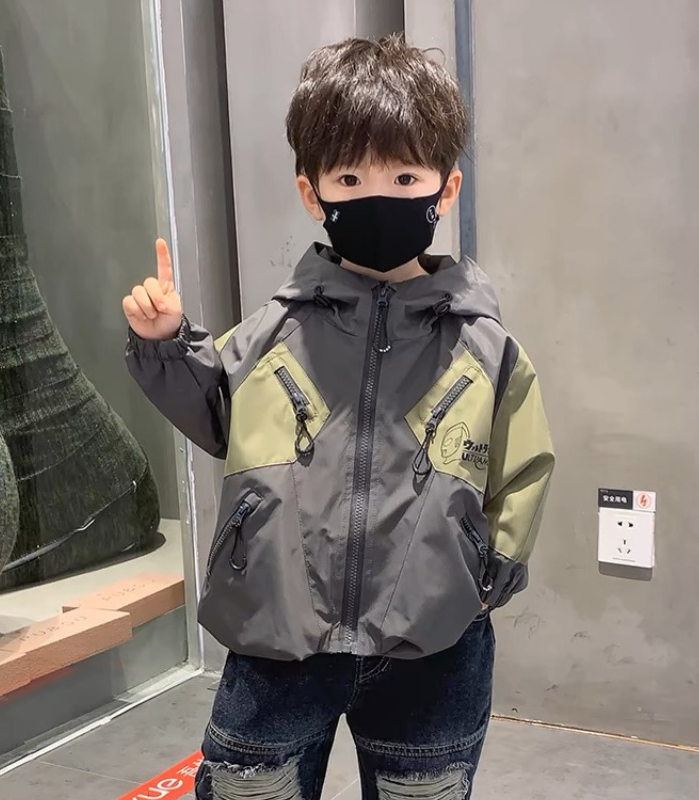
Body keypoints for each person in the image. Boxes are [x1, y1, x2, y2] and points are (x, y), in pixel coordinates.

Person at [123, 35, 554, 800]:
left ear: (446, 188)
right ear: (311, 191)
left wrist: (490, 572)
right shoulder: (274, 332)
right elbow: (216, 410)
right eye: (349, 177)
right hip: (277, 635)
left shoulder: (485, 349)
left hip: (432, 646)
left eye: (405, 176)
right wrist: (165, 345)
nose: (376, 196)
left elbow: (523, 467)